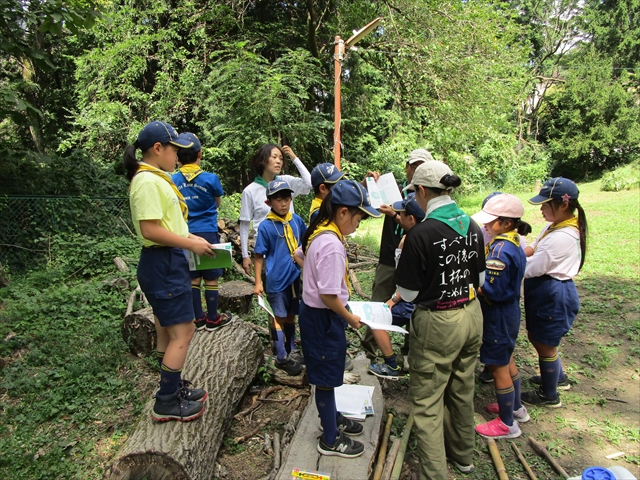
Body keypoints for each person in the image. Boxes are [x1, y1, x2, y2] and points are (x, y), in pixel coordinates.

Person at [395, 160, 485, 479]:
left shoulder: (421, 234)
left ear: (421, 191)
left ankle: (435, 474)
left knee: (428, 402)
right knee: (462, 387)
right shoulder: (473, 226)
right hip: (473, 316)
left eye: (415, 194)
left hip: (439, 322)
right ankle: (463, 457)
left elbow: (406, 294)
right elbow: (482, 279)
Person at [124, 120, 214, 422]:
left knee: (165, 329)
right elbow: (150, 230)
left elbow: (167, 224)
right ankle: (166, 401)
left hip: (167, 259)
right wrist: (189, 246)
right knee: (184, 331)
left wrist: (191, 238)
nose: (177, 154)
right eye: (174, 148)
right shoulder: (147, 182)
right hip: (163, 262)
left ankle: (172, 387)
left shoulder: (156, 178)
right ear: (158, 149)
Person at [296, 179, 381, 458]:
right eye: (359, 217)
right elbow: (330, 296)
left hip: (315, 315)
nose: (359, 225)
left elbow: (300, 255)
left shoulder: (319, 231)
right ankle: (330, 439)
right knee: (325, 379)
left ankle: (332, 417)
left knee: (328, 373)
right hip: (323, 318)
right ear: (343, 212)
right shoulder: (331, 244)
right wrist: (350, 318)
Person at [521, 177, 587, 407]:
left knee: (544, 342)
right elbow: (533, 248)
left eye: (546, 205)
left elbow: (533, 266)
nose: (541, 209)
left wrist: (505, 264)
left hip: (552, 292)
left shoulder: (563, 236)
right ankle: (556, 377)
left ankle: (549, 395)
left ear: (564, 205)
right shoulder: (554, 226)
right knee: (539, 337)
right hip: (544, 290)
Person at [361, 149, 430, 365]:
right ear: (407, 168)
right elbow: (365, 205)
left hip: (416, 259)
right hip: (389, 257)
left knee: (415, 302)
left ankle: (409, 351)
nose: (417, 169)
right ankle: (370, 351)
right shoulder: (392, 188)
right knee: (378, 302)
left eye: (422, 165)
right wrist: (368, 185)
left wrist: (394, 214)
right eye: (414, 165)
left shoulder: (430, 195)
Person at [471, 194, 532, 439]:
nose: (485, 225)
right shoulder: (514, 241)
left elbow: (492, 290)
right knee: (507, 360)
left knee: (498, 367)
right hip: (509, 312)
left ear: (507, 223)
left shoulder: (500, 250)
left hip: (497, 314)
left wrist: (473, 286)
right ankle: (515, 407)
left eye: (490, 221)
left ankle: (507, 424)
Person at [172, 132, 232, 332]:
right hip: (208, 232)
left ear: (177, 157)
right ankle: (213, 319)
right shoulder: (210, 179)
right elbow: (217, 203)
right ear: (201, 154)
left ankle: (198, 318)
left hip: (185, 234)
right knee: (211, 277)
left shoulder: (173, 180)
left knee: (193, 278)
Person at [367, 193, 424, 380]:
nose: (398, 217)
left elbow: (411, 282)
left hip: (412, 302)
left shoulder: (412, 241)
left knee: (375, 319)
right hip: (423, 302)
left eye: (401, 214)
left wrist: (392, 300)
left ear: (411, 218)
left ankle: (391, 365)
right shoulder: (426, 236)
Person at [253, 180, 307, 376]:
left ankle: (292, 348)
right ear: (269, 203)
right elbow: (259, 255)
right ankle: (281, 356)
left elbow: (305, 241)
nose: (283, 203)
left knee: (292, 313)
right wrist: (258, 282)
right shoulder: (266, 227)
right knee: (280, 316)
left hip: (294, 276)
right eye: (278, 199)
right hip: (276, 279)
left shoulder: (296, 220)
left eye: (286, 198)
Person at [240, 144, 311, 277]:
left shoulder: (286, 182)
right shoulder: (250, 191)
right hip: (268, 253)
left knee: (298, 290)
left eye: (281, 158)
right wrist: (245, 255)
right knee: (274, 292)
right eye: (274, 157)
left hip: (292, 251)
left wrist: (293, 157)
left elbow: (309, 183)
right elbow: (244, 225)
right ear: (263, 160)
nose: (279, 161)